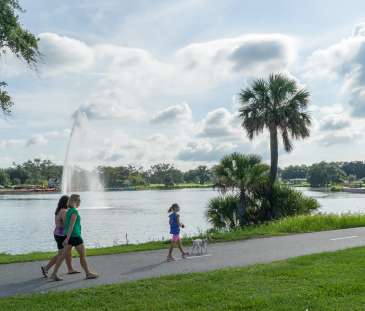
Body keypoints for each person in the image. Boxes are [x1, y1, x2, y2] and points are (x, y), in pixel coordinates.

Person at [50, 194, 98, 281]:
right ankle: (88, 273)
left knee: (62, 256)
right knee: (82, 255)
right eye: (79, 201)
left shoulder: (68, 211)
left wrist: (67, 238)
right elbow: (71, 226)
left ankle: (54, 274)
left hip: (70, 236)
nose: (80, 202)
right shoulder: (74, 212)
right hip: (75, 236)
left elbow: (67, 225)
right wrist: (67, 238)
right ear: (75, 201)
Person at [41, 195, 79, 277]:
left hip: (57, 233)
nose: (71, 202)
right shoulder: (64, 211)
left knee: (67, 252)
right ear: (66, 202)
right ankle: (46, 268)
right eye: (69, 201)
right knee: (61, 254)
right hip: (62, 235)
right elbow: (67, 224)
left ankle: (70, 269)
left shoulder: (59, 210)